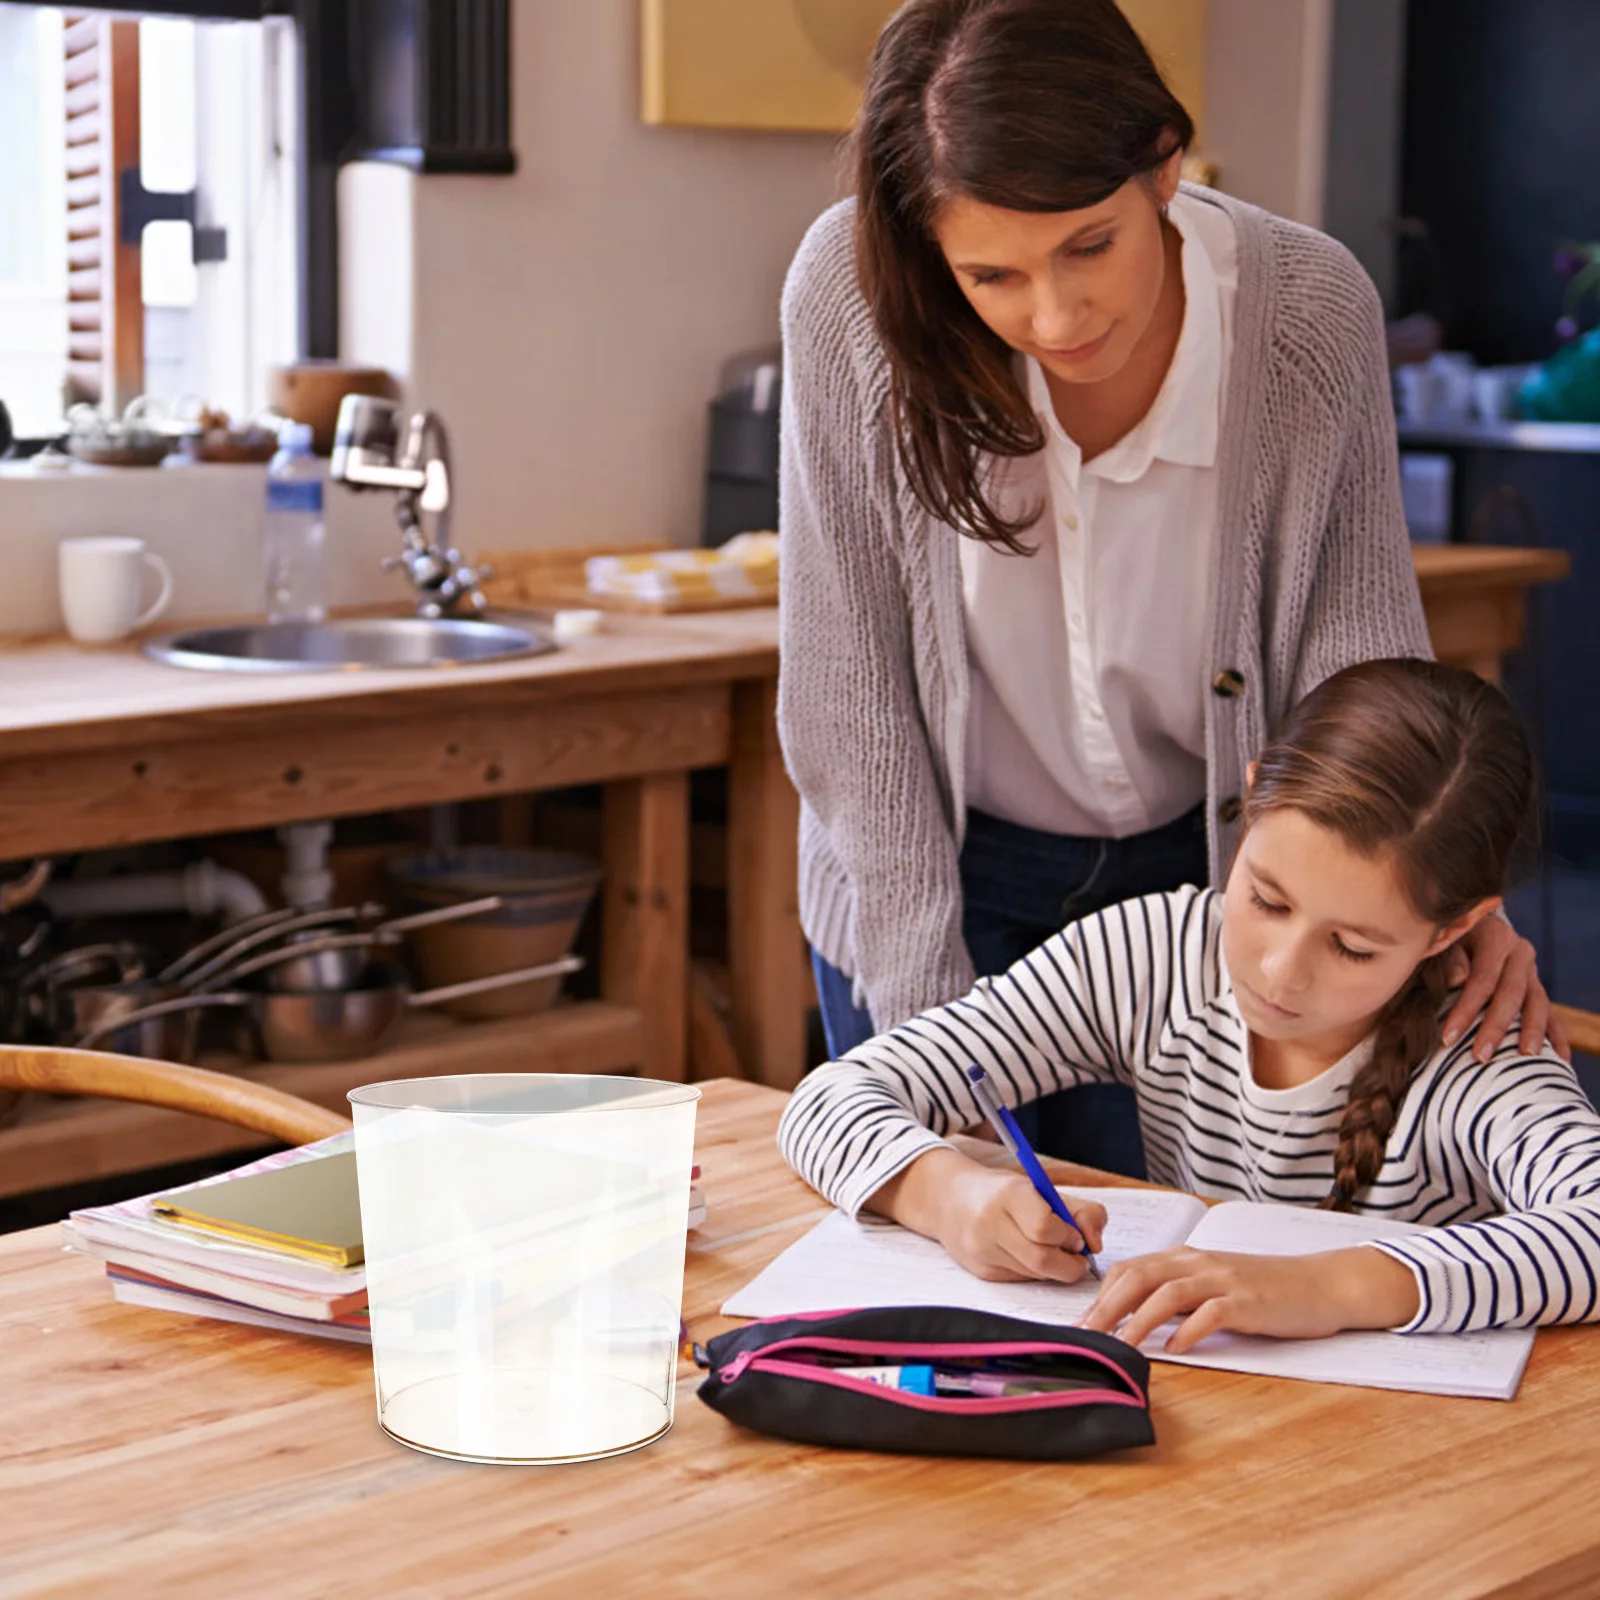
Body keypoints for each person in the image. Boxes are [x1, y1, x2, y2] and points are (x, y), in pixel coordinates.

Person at [776, 0, 1563, 1179]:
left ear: (1163, 164)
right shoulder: (851, 302)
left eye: (1089, 244)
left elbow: (1359, 664)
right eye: (992, 273)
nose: (1055, 316)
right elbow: (851, 697)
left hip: (1202, 889)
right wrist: (932, 1039)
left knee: (1161, 1285)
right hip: (924, 870)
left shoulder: (1305, 310)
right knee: (954, 1277)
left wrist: (1432, 878)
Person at [778, 659, 1600, 1345]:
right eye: (1267, 901)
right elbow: (831, 1097)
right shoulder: (1153, 956)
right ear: (1247, 808)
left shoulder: (1482, 1042)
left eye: (1352, 947)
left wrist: (1337, 1285)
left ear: (1454, 926)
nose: (1281, 972)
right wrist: (952, 1197)